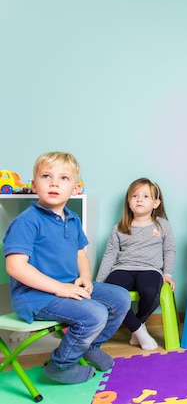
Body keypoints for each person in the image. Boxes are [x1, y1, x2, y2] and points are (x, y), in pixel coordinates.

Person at [3, 152, 130, 384]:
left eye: (64, 178)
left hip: (68, 286)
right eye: (46, 176)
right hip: (34, 296)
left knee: (120, 298)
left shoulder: (72, 219)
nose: (54, 183)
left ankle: (90, 347)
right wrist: (59, 288)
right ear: (34, 185)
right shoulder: (27, 221)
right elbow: (15, 267)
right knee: (95, 313)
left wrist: (84, 277)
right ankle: (60, 366)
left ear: (76, 188)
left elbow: (80, 253)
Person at [96, 178, 176, 351]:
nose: (139, 199)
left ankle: (136, 326)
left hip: (150, 269)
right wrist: (99, 283)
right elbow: (109, 255)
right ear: (129, 202)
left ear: (156, 203)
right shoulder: (119, 228)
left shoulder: (162, 225)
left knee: (149, 292)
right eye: (135, 196)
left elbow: (169, 250)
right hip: (122, 268)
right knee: (113, 294)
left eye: (145, 196)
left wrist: (168, 273)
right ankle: (139, 331)